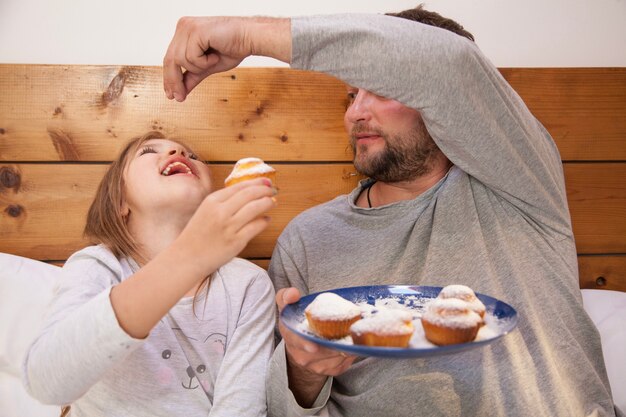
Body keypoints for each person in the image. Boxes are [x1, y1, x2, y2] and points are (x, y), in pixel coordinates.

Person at [162, 5, 620, 417]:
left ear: (445, 106)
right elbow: (287, 408)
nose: (356, 112)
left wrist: (245, 34)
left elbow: (448, 62)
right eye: (351, 93)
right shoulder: (308, 238)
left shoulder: (518, 181)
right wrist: (305, 371)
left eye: (381, 87)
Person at [22, 131, 277, 417]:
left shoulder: (248, 284)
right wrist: (188, 258)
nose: (178, 154)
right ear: (120, 202)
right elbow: (47, 383)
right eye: (148, 152)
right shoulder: (96, 265)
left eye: (192, 156)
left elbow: (240, 409)